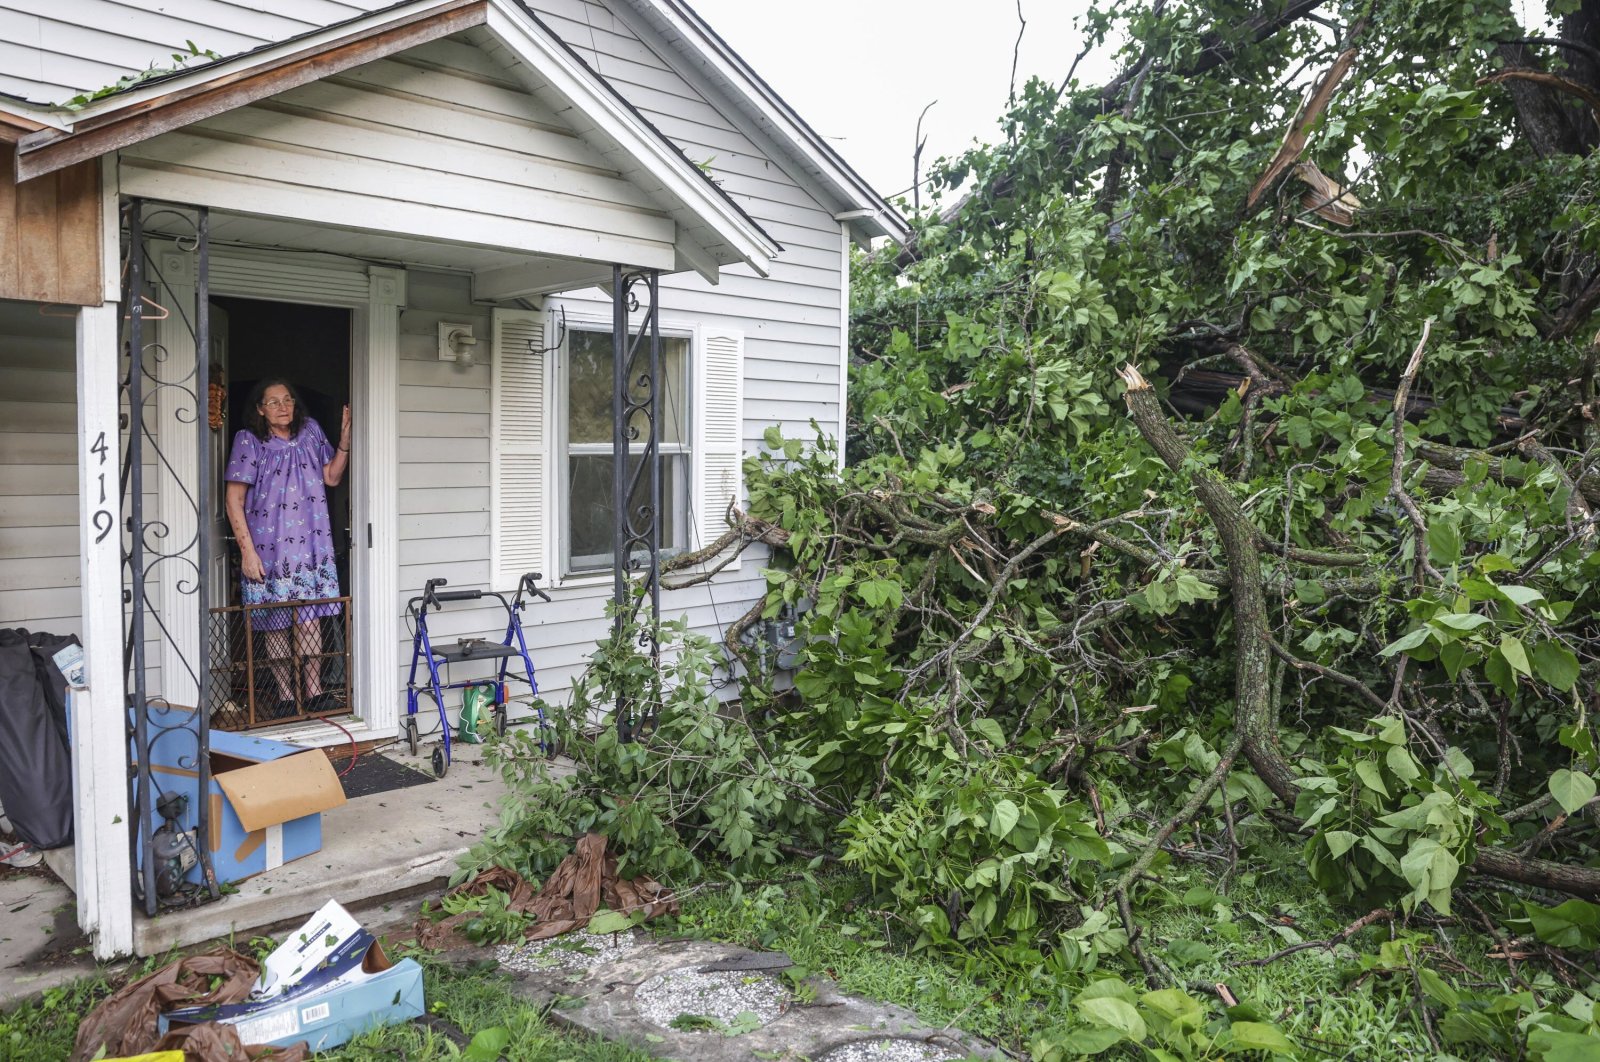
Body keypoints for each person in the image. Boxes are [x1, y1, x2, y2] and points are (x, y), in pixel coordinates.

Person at [224, 379, 351, 716]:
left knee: (309, 623)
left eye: (288, 400)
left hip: (311, 545)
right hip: (269, 550)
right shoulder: (249, 441)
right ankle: (284, 695)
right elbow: (233, 500)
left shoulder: (310, 431)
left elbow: (332, 477)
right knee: (277, 624)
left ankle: (313, 691)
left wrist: (344, 444)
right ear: (260, 409)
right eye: (274, 401)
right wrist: (247, 552)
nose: (283, 407)